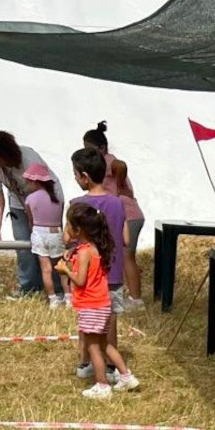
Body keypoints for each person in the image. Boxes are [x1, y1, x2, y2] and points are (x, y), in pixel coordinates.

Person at [54, 202, 138, 398]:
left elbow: (81, 280)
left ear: (78, 229)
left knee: (93, 348)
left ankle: (102, 385)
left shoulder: (84, 252)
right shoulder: (92, 247)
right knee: (105, 345)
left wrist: (65, 270)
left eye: (68, 224)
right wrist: (71, 254)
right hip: (102, 304)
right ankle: (126, 376)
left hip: (91, 306)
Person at [70, 148, 129, 386]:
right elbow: (126, 240)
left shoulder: (77, 205)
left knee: (87, 321)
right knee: (109, 322)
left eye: (75, 174)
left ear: (84, 176)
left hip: (88, 275)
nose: (74, 178)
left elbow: (69, 238)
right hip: (113, 273)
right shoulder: (117, 202)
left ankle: (86, 362)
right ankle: (113, 366)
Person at [0, 130, 65, 296]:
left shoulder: (28, 158)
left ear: (4, 153)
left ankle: (58, 288)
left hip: (47, 200)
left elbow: (45, 188)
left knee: (50, 243)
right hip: (19, 202)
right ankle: (29, 288)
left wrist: (38, 218)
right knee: (24, 245)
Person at [83, 122, 145, 310]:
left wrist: (118, 186)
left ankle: (136, 299)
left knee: (127, 256)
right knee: (120, 255)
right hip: (125, 215)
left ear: (102, 148)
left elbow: (121, 165)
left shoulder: (108, 161)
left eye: (91, 149)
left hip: (129, 214)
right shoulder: (101, 163)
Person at [23, 163, 70, 308]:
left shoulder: (30, 199)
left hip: (39, 232)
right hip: (56, 232)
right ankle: (69, 297)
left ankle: (52, 298)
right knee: (61, 267)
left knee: (46, 269)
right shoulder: (58, 199)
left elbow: (30, 220)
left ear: (35, 182)